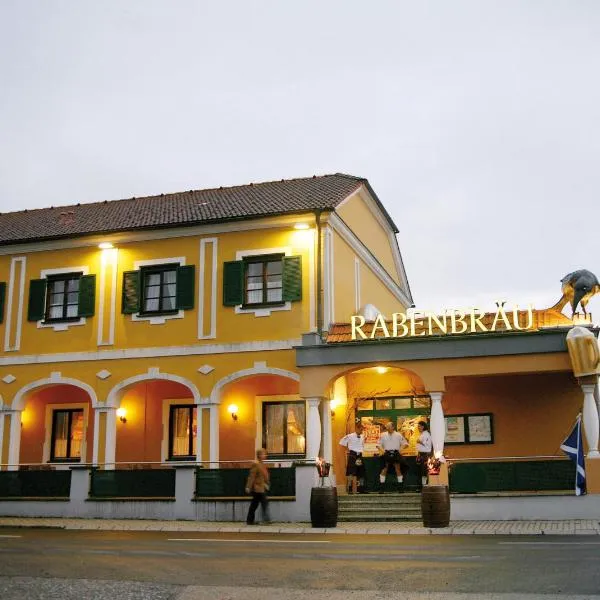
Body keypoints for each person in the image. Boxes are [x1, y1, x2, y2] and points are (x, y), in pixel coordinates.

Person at [376, 421, 409, 493]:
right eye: (386, 426)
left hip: (396, 453)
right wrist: (383, 451)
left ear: (393, 427)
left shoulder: (398, 435)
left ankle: (400, 488)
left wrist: (400, 450)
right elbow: (378, 445)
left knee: (398, 469)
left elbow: (405, 444)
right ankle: (381, 489)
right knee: (384, 469)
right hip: (386, 453)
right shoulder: (383, 435)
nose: (387, 428)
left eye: (388, 426)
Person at [339, 422, 367, 494]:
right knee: (351, 473)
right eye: (360, 430)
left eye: (362, 430)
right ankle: (350, 489)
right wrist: (348, 449)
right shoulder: (350, 436)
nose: (361, 431)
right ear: (356, 429)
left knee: (361, 472)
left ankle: (361, 489)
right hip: (352, 455)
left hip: (359, 455)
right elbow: (341, 442)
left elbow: (362, 445)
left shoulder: (362, 436)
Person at [245, 448, 271, 525]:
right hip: (258, 488)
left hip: (261, 488)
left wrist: (267, 484)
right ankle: (265, 520)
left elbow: (265, 477)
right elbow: (251, 476)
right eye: (263, 454)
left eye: (265, 454)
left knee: (254, 504)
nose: (265, 455)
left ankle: (250, 520)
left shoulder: (262, 464)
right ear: (259, 455)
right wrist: (248, 487)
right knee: (263, 503)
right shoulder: (256, 465)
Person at [416, 421, 433, 490]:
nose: (418, 428)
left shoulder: (426, 434)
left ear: (423, 426)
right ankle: (423, 486)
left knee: (424, 471)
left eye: (419, 426)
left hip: (425, 455)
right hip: (422, 454)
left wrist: (419, 441)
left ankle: (424, 486)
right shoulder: (423, 434)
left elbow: (426, 444)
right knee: (422, 471)